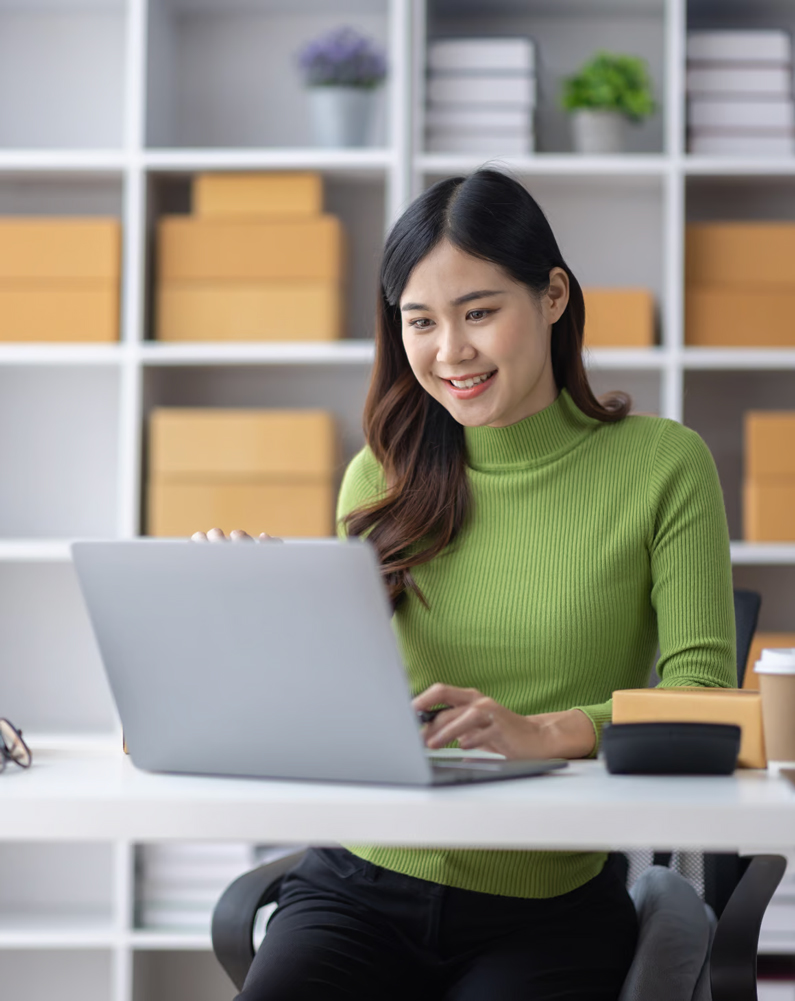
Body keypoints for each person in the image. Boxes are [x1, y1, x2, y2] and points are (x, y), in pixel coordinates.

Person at [195, 169, 736, 999]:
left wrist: (545, 732)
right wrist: (264, 620)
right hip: (359, 885)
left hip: (545, 902)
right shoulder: (379, 475)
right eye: (420, 321)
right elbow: (351, 707)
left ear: (552, 296)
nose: (449, 351)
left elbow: (703, 699)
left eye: (478, 312)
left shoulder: (663, 464)